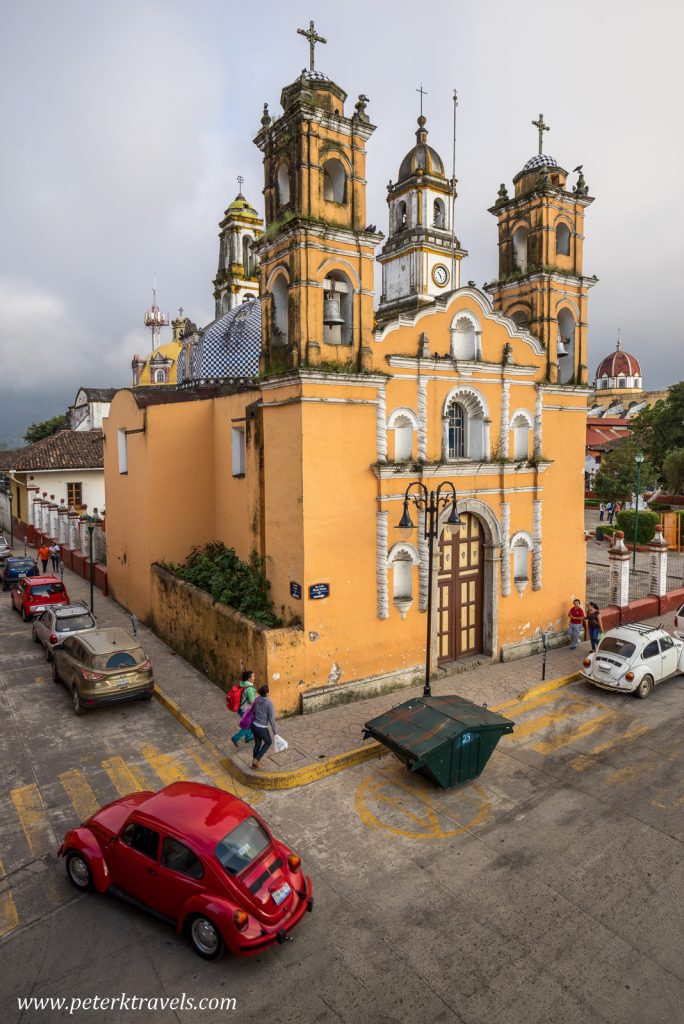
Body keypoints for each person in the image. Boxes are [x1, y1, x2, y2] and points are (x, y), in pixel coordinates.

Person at [250, 684, 278, 769]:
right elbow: (271, 718)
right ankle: (256, 759)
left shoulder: (256, 699)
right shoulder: (269, 703)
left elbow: (252, 711)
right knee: (268, 742)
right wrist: (275, 732)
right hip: (262, 727)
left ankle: (255, 762)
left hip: (254, 725)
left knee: (257, 743)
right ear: (268, 693)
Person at [231, 670, 257, 748]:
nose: (254, 677)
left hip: (240, 708)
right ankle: (235, 738)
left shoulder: (242, 684)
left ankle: (248, 737)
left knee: (251, 723)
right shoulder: (249, 688)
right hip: (245, 709)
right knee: (248, 726)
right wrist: (258, 697)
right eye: (253, 676)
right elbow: (251, 701)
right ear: (249, 679)